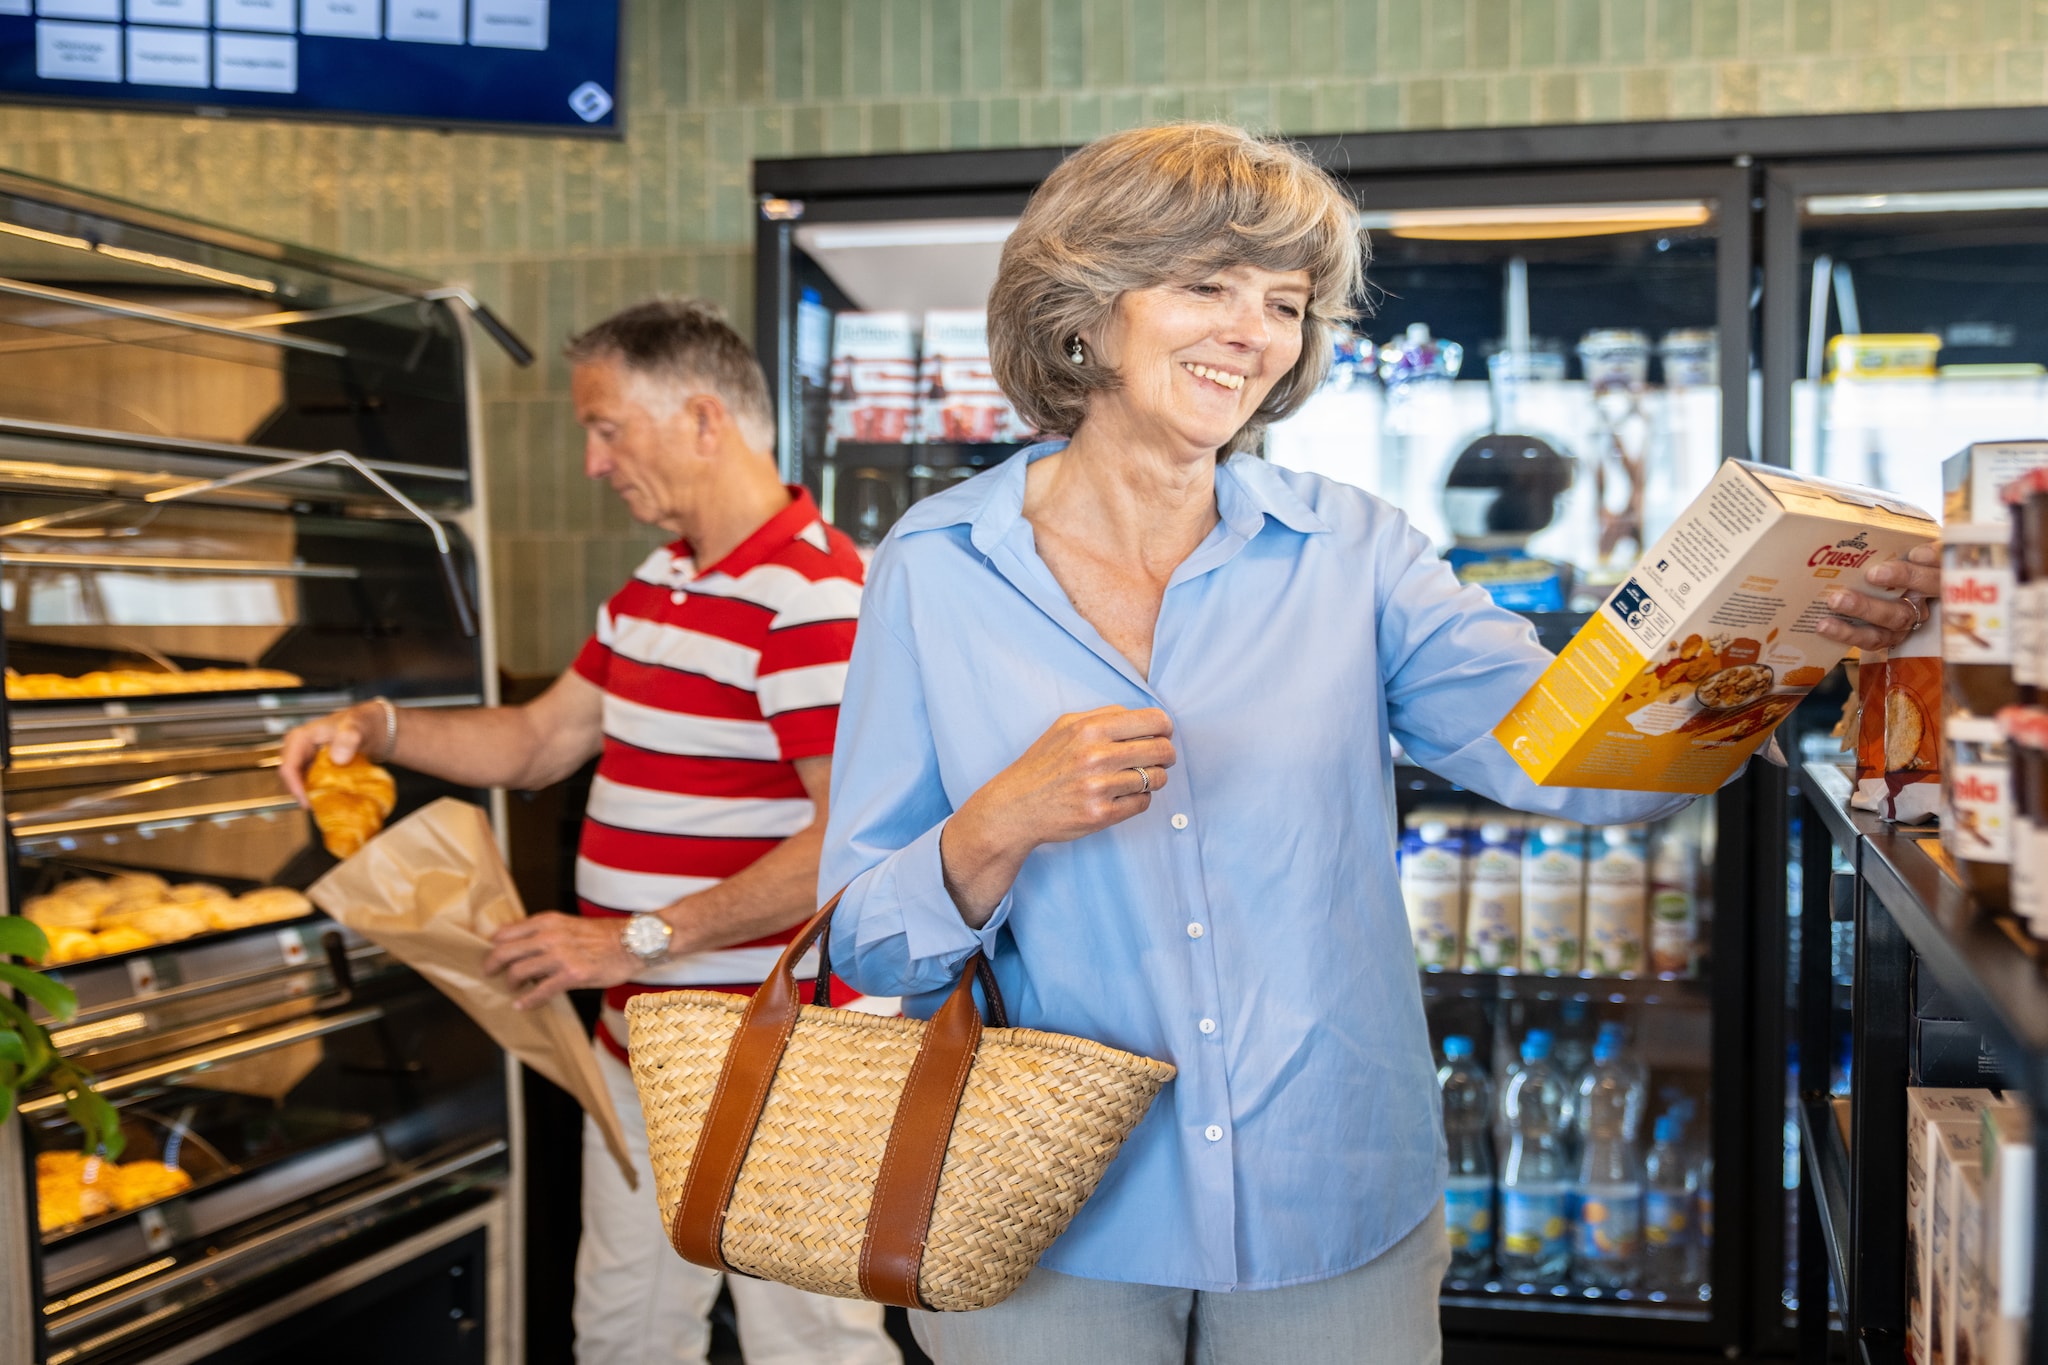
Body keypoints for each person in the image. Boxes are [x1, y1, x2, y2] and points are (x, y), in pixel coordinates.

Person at [817, 124, 1937, 1365]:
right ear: (1084, 310)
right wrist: (1001, 820)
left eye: (1283, 303)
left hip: (1330, 1189)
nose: (1251, 332)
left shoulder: (1353, 549)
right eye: (1207, 285)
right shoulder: (938, 567)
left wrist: (1779, 638)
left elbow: (1570, 759)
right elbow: (864, 938)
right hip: (1040, 1203)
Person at [280, 299, 900, 1365]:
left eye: (607, 429)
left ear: (701, 419)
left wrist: (634, 938)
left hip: (781, 1050)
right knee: (622, 1330)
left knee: (808, 1345)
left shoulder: (814, 596)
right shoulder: (660, 582)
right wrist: (378, 728)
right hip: (637, 1039)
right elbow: (536, 742)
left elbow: (852, 843)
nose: (592, 462)